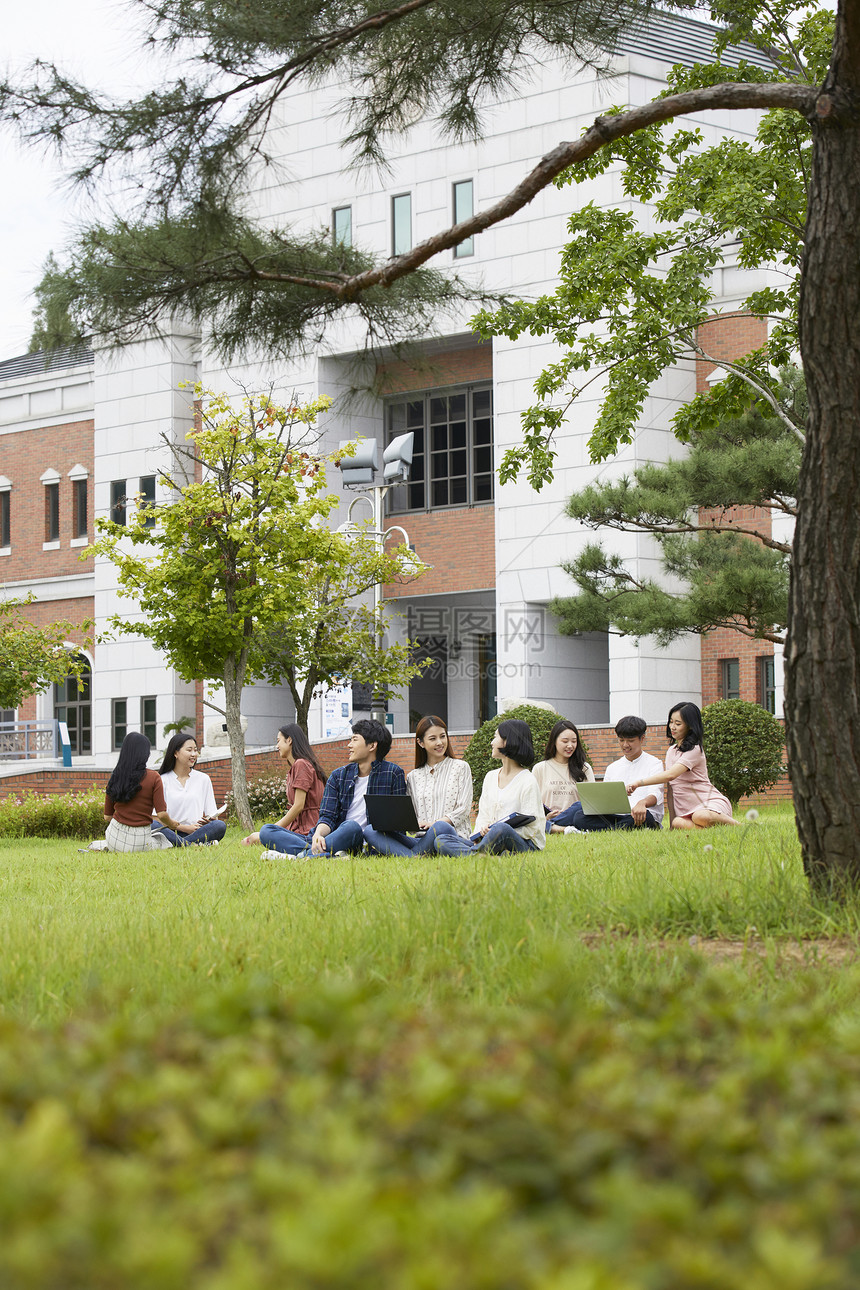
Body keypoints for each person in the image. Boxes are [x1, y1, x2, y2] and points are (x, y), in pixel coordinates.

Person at [363, 714, 473, 856]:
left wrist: (434, 823)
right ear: (421, 743)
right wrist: (416, 823)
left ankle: (409, 855)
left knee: (440, 826)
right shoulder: (413, 776)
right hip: (422, 840)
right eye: (433, 739)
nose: (440, 742)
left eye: (443, 736)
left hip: (449, 838)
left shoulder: (461, 767)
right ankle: (416, 856)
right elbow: (411, 818)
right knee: (370, 830)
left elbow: (463, 809)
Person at [435, 718, 546, 855]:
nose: (491, 742)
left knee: (501, 829)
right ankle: (484, 855)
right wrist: (482, 831)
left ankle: (477, 854)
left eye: (495, 737)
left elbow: (534, 827)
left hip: (522, 843)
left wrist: (495, 831)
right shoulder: (490, 777)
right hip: (487, 840)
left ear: (507, 741)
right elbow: (483, 816)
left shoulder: (528, 780)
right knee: (441, 840)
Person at [300, 719, 406, 856]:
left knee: (351, 827)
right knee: (269, 831)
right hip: (340, 837)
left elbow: (398, 824)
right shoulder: (338, 776)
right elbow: (328, 816)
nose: (349, 745)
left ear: (372, 746)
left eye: (354, 740)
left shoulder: (393, 773)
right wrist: (318, 834)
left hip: (370, 842)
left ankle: (303, 855)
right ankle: (324, 851)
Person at [626, 701, 739, 829]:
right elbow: (671, 789)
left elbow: (670, 775)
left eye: (678, 723)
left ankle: (740, 826)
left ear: (690, 726)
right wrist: (671, 825)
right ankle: (713, 829)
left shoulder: (695, 750)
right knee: (677, 823)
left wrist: (638, 783)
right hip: (686, 810)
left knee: (700, 816)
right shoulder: (671, 751)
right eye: (671, 722)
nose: (672, 727)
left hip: (709, 803)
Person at [555, 715, 664, 832]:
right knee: (579, 815)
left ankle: (604, 830)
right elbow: (605, 799)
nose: (625, 745)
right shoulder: (613, 767)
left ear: (642, 739)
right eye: (621, 740)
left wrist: (642, 803)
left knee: (645, 816)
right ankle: (617, 829)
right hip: (615, 816)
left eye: (630, 741)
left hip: (640, 815)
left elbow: (655, 794)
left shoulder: (654, 764)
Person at [243, 723, 326, 855]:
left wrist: (274, 828)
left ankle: (308, 850)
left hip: (308, 830)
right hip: (298, 828)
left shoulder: (301, 764)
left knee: (262, 833)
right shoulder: (295, 768)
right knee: (255, 836)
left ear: (289, 740)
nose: (277, 746)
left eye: (279, 741)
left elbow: (298, 806)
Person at [103, 731, 182, 851]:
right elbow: (161, 814)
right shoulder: (153, 777)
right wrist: (172, 824)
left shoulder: (115, 776)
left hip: (113, 838)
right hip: (139, 840)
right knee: (164, 841)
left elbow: (107, 817)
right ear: (145, 753)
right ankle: (193, 844)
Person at [152, 733, 227, 846]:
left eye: (195, 750)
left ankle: (179, 844)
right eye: (189, 750)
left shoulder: (203, 779)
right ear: (176, 753)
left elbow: (213, 815)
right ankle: (191, 845)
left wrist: (209, 821)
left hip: (197, 831)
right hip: (170, 832)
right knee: (152, 824)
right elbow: (156, 817)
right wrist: (184, 828)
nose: (194, 754)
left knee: (220, 826)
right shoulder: (162, 780)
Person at [532, 718, 595, 833]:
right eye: (565, 741)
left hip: (576, 818)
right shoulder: (540, 768)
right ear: (554, 741)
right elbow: (533, 803)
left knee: (578, 807)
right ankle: (555, 826)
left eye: (574, 741)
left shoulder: (584, 768)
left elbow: (592, 802)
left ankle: (552, 828)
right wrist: (546, 817)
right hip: (549, 818)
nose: (570, 746)